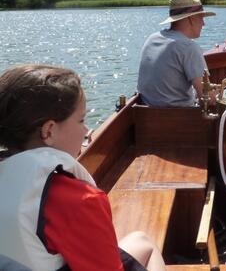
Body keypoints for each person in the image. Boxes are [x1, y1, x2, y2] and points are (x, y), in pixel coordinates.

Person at [0, 64, 166, 271]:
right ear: (49, 131)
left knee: (141, 241)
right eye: (81, 120)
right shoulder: (78, 200)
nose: (86, 130)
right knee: (145, 244)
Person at [137, 0, 215, 107]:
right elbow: (207, 100)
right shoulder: (188, 47)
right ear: (191, 18)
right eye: (201, 18)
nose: (203, 23)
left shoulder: (152, 38)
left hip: (146, 119)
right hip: (178, 120)